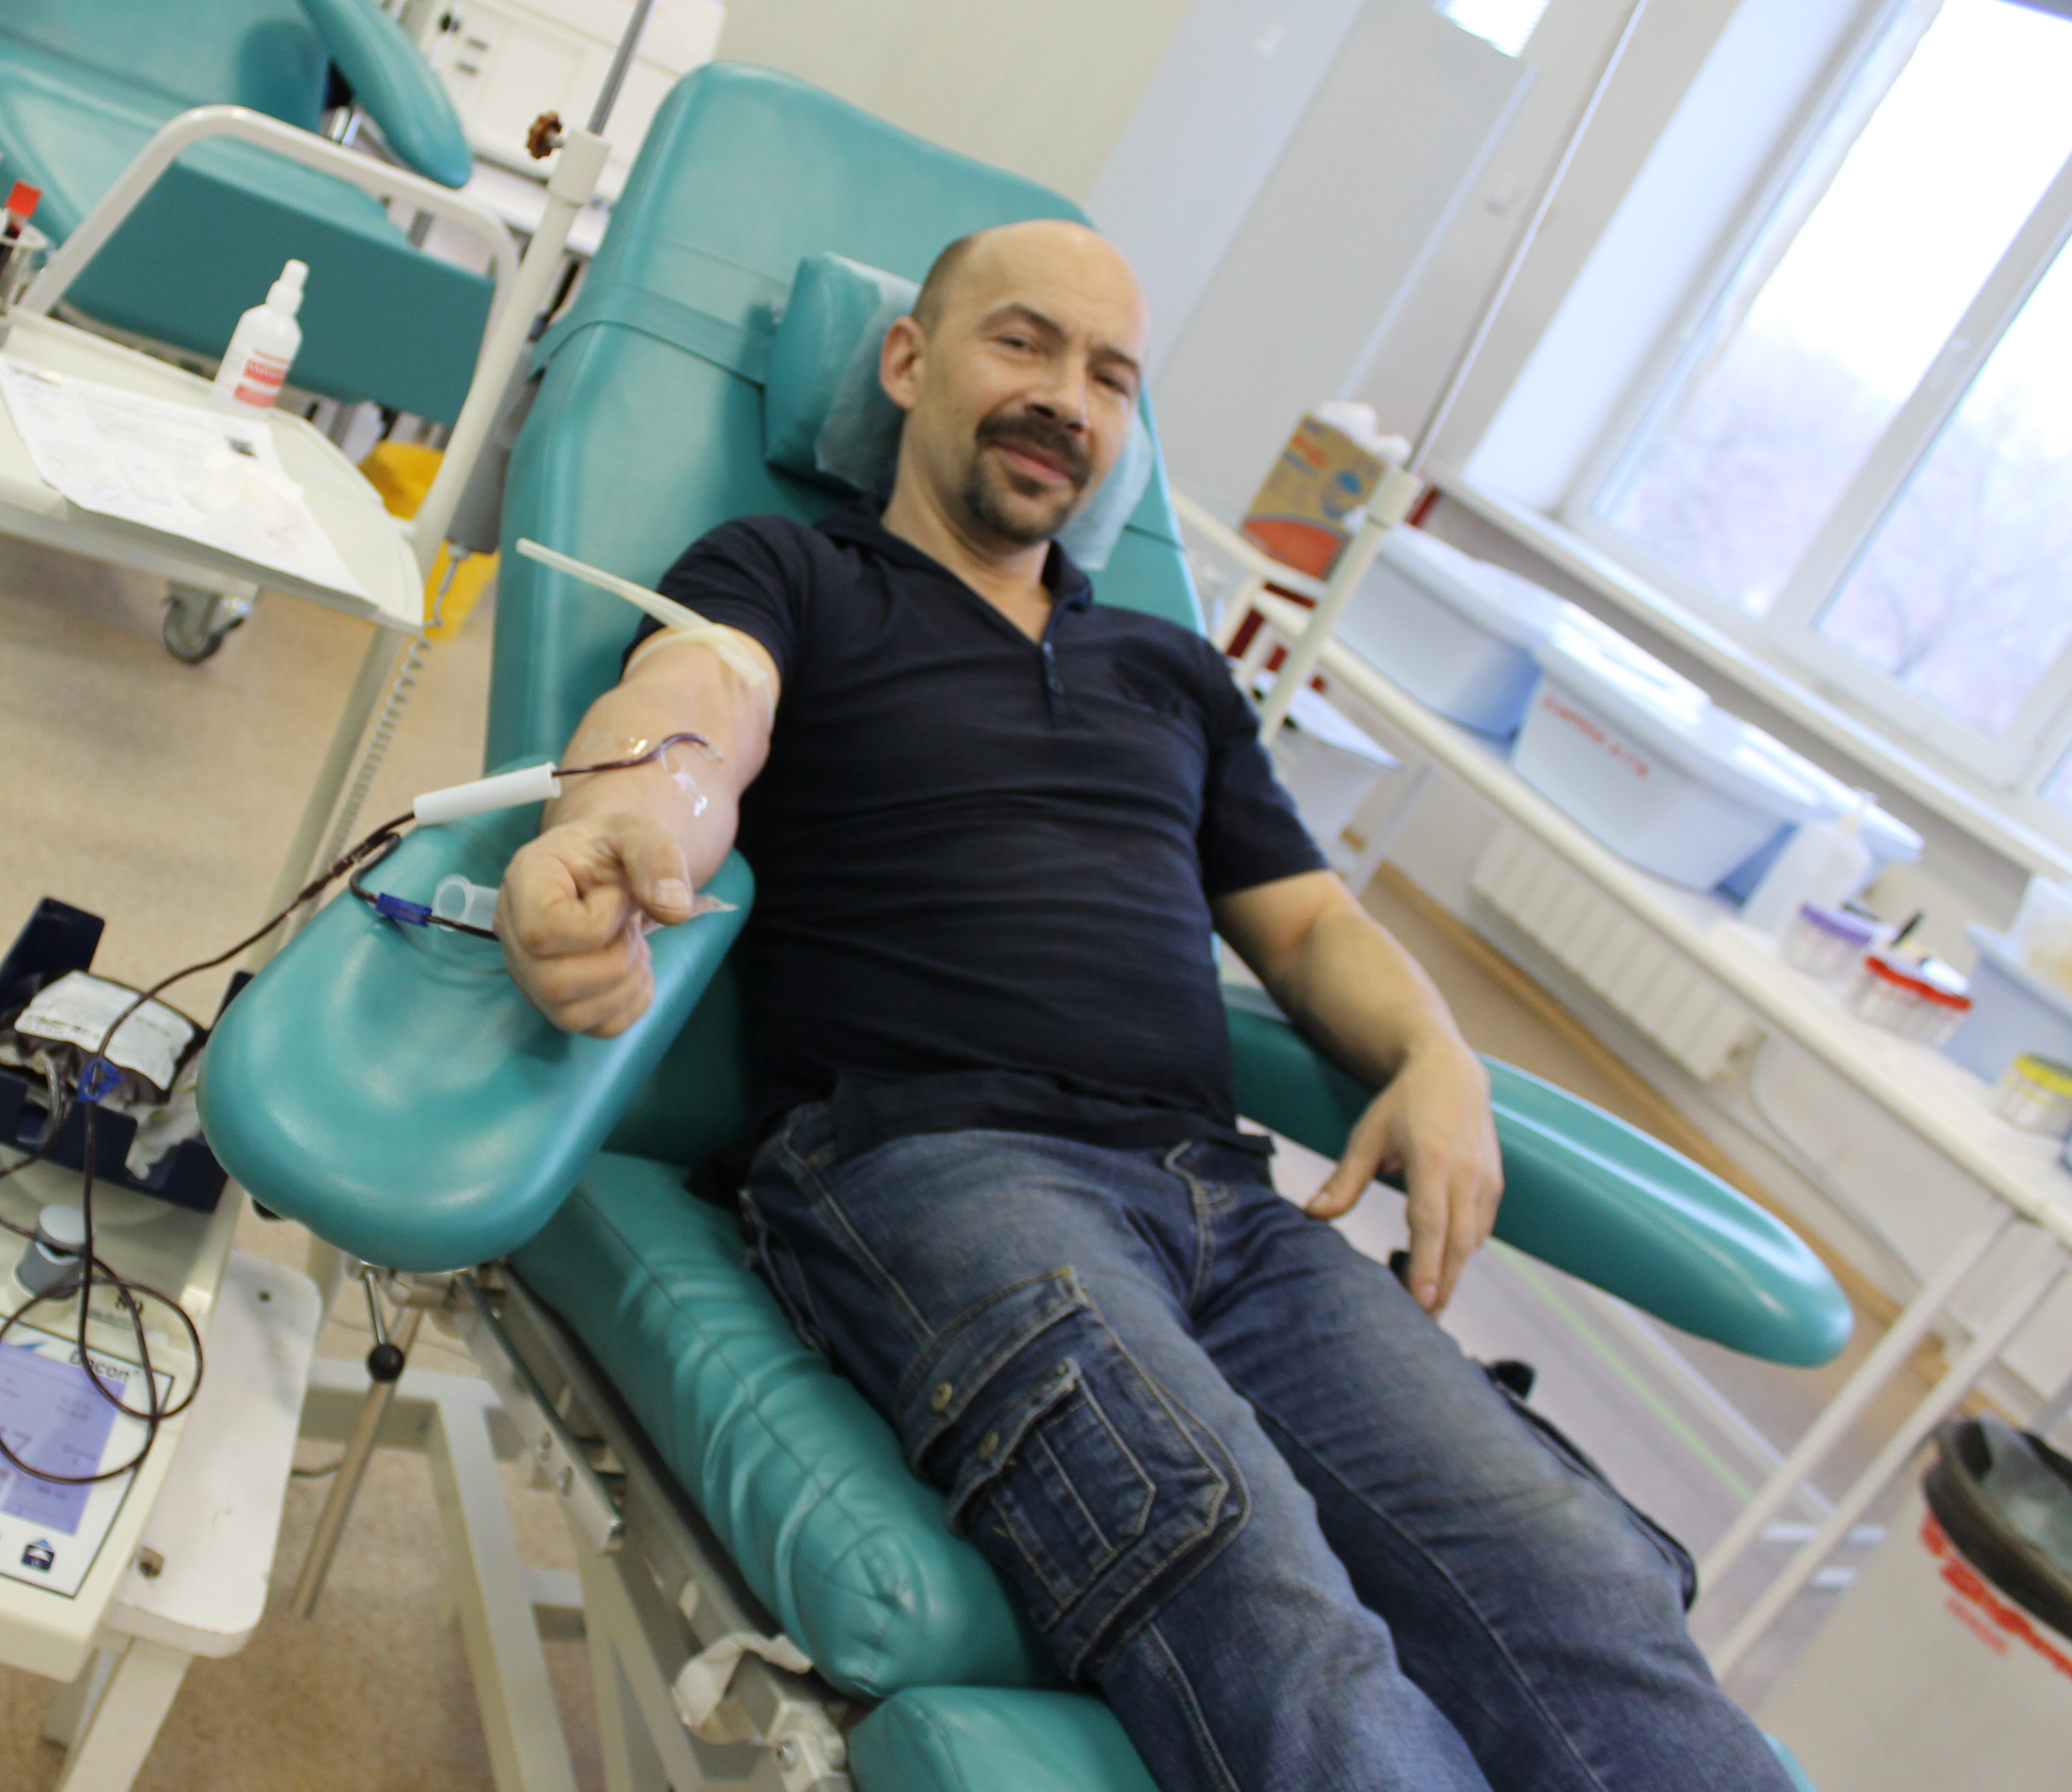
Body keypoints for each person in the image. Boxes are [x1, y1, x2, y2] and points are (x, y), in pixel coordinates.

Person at [494, 219, 1789, 1791]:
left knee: (1580, 1582)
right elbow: (694, 709)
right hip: (938, 1163)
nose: (1068, 397)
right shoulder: (795, 570)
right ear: (907, 360)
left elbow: (1307, 919)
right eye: (1022, 342)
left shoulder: (1172, 668)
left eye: (1112, 376)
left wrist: (1435, 1048)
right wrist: (619, 825)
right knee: (1273, 1605)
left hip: (1230, 1210)